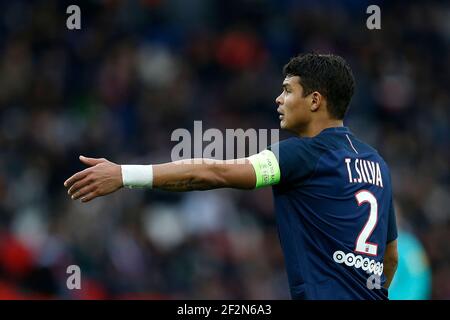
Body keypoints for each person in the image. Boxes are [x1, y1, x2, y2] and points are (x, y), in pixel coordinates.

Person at [64, 53, 398, 300]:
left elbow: (213, 172)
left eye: (287, 90)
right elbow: (390, 256)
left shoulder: (303, 153)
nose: (278, 99)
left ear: (314, 100)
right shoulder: (377, 165)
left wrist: (125, 174)